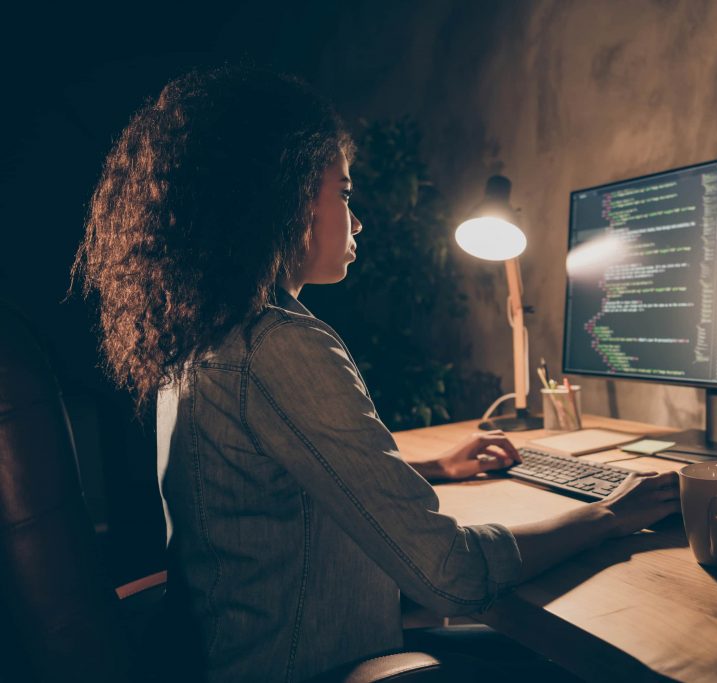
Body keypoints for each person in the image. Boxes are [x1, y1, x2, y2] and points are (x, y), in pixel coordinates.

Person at [73, 66, 679, 683]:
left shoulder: (201, 336)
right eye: (343, 193)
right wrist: (609, 515)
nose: (357, 220)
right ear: (285, 199)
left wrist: (434, 467)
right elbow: (453, 574)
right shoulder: (277, 346)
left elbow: (281, 488)